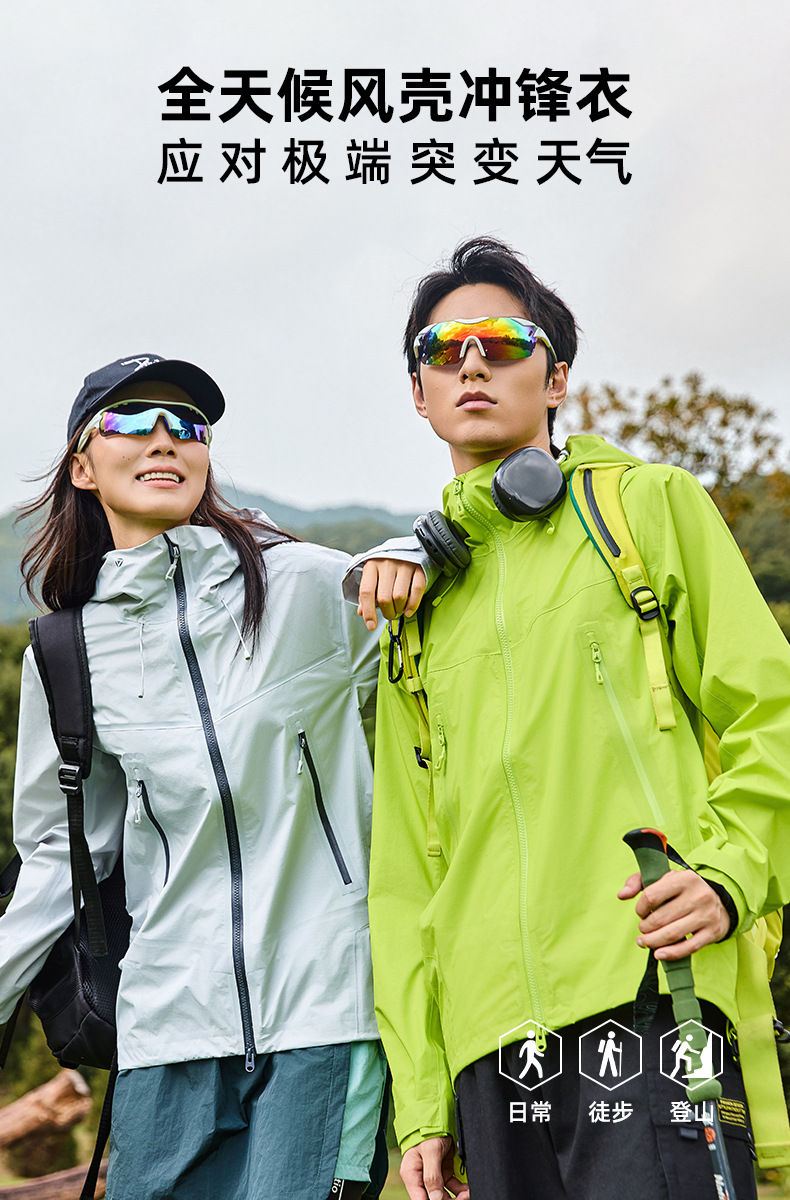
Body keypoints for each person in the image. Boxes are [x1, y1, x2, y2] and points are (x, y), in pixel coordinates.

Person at [357, 238, 790, 1200]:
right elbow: (404, 873)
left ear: (556, 380)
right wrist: (422, 1098)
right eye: (444, 349)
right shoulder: (416, 607)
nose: (473, 362)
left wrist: (728, 875)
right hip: (489, 1047)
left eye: (505, 341)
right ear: (419, 394)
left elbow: (774, 712)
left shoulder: (646, 508)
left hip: (647, 986)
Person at [0, 353, 425, 1200]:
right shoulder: (66, 651)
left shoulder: (302, 586)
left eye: (186, 424)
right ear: (83, 467)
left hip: (327, 1012)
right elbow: (61, 855)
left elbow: (439, 596)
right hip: (165, 1026)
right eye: (130, 421)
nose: (164, 438)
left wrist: (414, 547)